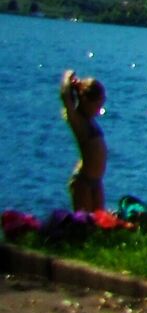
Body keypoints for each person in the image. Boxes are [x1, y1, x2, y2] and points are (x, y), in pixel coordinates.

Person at [60, 70, 108, 214]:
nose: (99, 110)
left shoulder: (90, 121)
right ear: (86, 101)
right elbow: (65, 96)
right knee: (85, 225)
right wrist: (69, 77)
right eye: (97, 105)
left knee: (100, 223)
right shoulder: (78, 121)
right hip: (84, 182)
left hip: (97, 181)